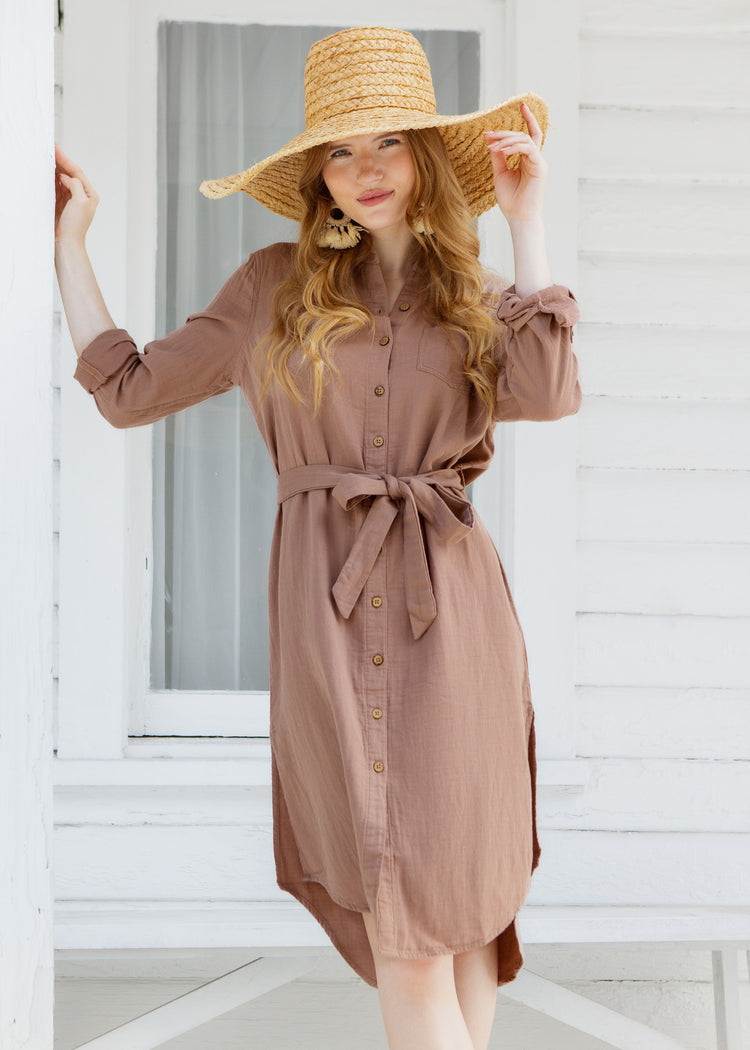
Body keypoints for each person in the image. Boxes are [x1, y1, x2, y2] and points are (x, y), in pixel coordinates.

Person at [54, 25, 581, 1050]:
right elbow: (126, 393)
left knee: (462, 922)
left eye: (388, 143)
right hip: (330, 628)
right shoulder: (268, 289)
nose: (366, 170)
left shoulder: (469, 289)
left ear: (426, 158)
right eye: (342, 151)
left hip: (455, 621)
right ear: (317, 175)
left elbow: (549, 391)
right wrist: (68, 246)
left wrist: (526, 223)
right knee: (409, 930)